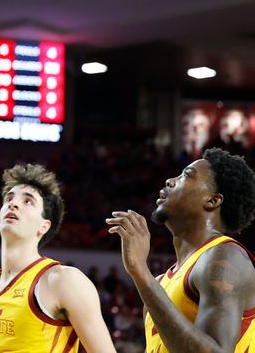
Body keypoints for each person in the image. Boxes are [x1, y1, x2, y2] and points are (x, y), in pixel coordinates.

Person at [107, 147, 255, 353]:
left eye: (186, 175)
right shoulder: (160, 282)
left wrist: (140, 272)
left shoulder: (225, 256)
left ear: (212, 200)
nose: (170, 180)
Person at [0, 164, 115, 352]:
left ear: (43, 226)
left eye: (28, 201)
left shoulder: (62, 280)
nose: (13, 204)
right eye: (9, 198)